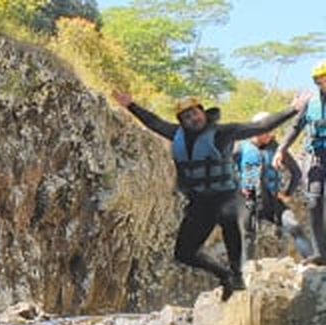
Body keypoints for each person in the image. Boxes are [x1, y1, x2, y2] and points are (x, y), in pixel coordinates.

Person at [112, 90, 311, 300]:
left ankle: (236, 275)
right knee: (184, 253)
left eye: (195, 113)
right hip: (201, 201)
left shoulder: (222, 133)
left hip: (227, 197)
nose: (193, 119)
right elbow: (153, 122)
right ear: (182, 122)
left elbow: (262, 126)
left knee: (229, 217)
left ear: (204, 113)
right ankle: (223, 274)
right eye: (187, 117)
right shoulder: (176, 134)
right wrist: (131, 105)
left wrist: (293, 109)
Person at [235, 112, 312, 261]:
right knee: (247, 237)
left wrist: (287, 193)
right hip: (248, 201)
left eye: (269, 131)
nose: (267, 134)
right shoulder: (240, 147)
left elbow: (296, 172)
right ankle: (244, 274)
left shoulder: (277, 149)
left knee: (294, 226)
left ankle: (314, 264)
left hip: (272, 200)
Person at [274, 61, 326, 265]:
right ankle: (320, 253)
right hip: (315, 155)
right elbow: (295, 128)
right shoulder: (311, 103)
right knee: (314, 202)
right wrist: (281, 149)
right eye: (321, 80)